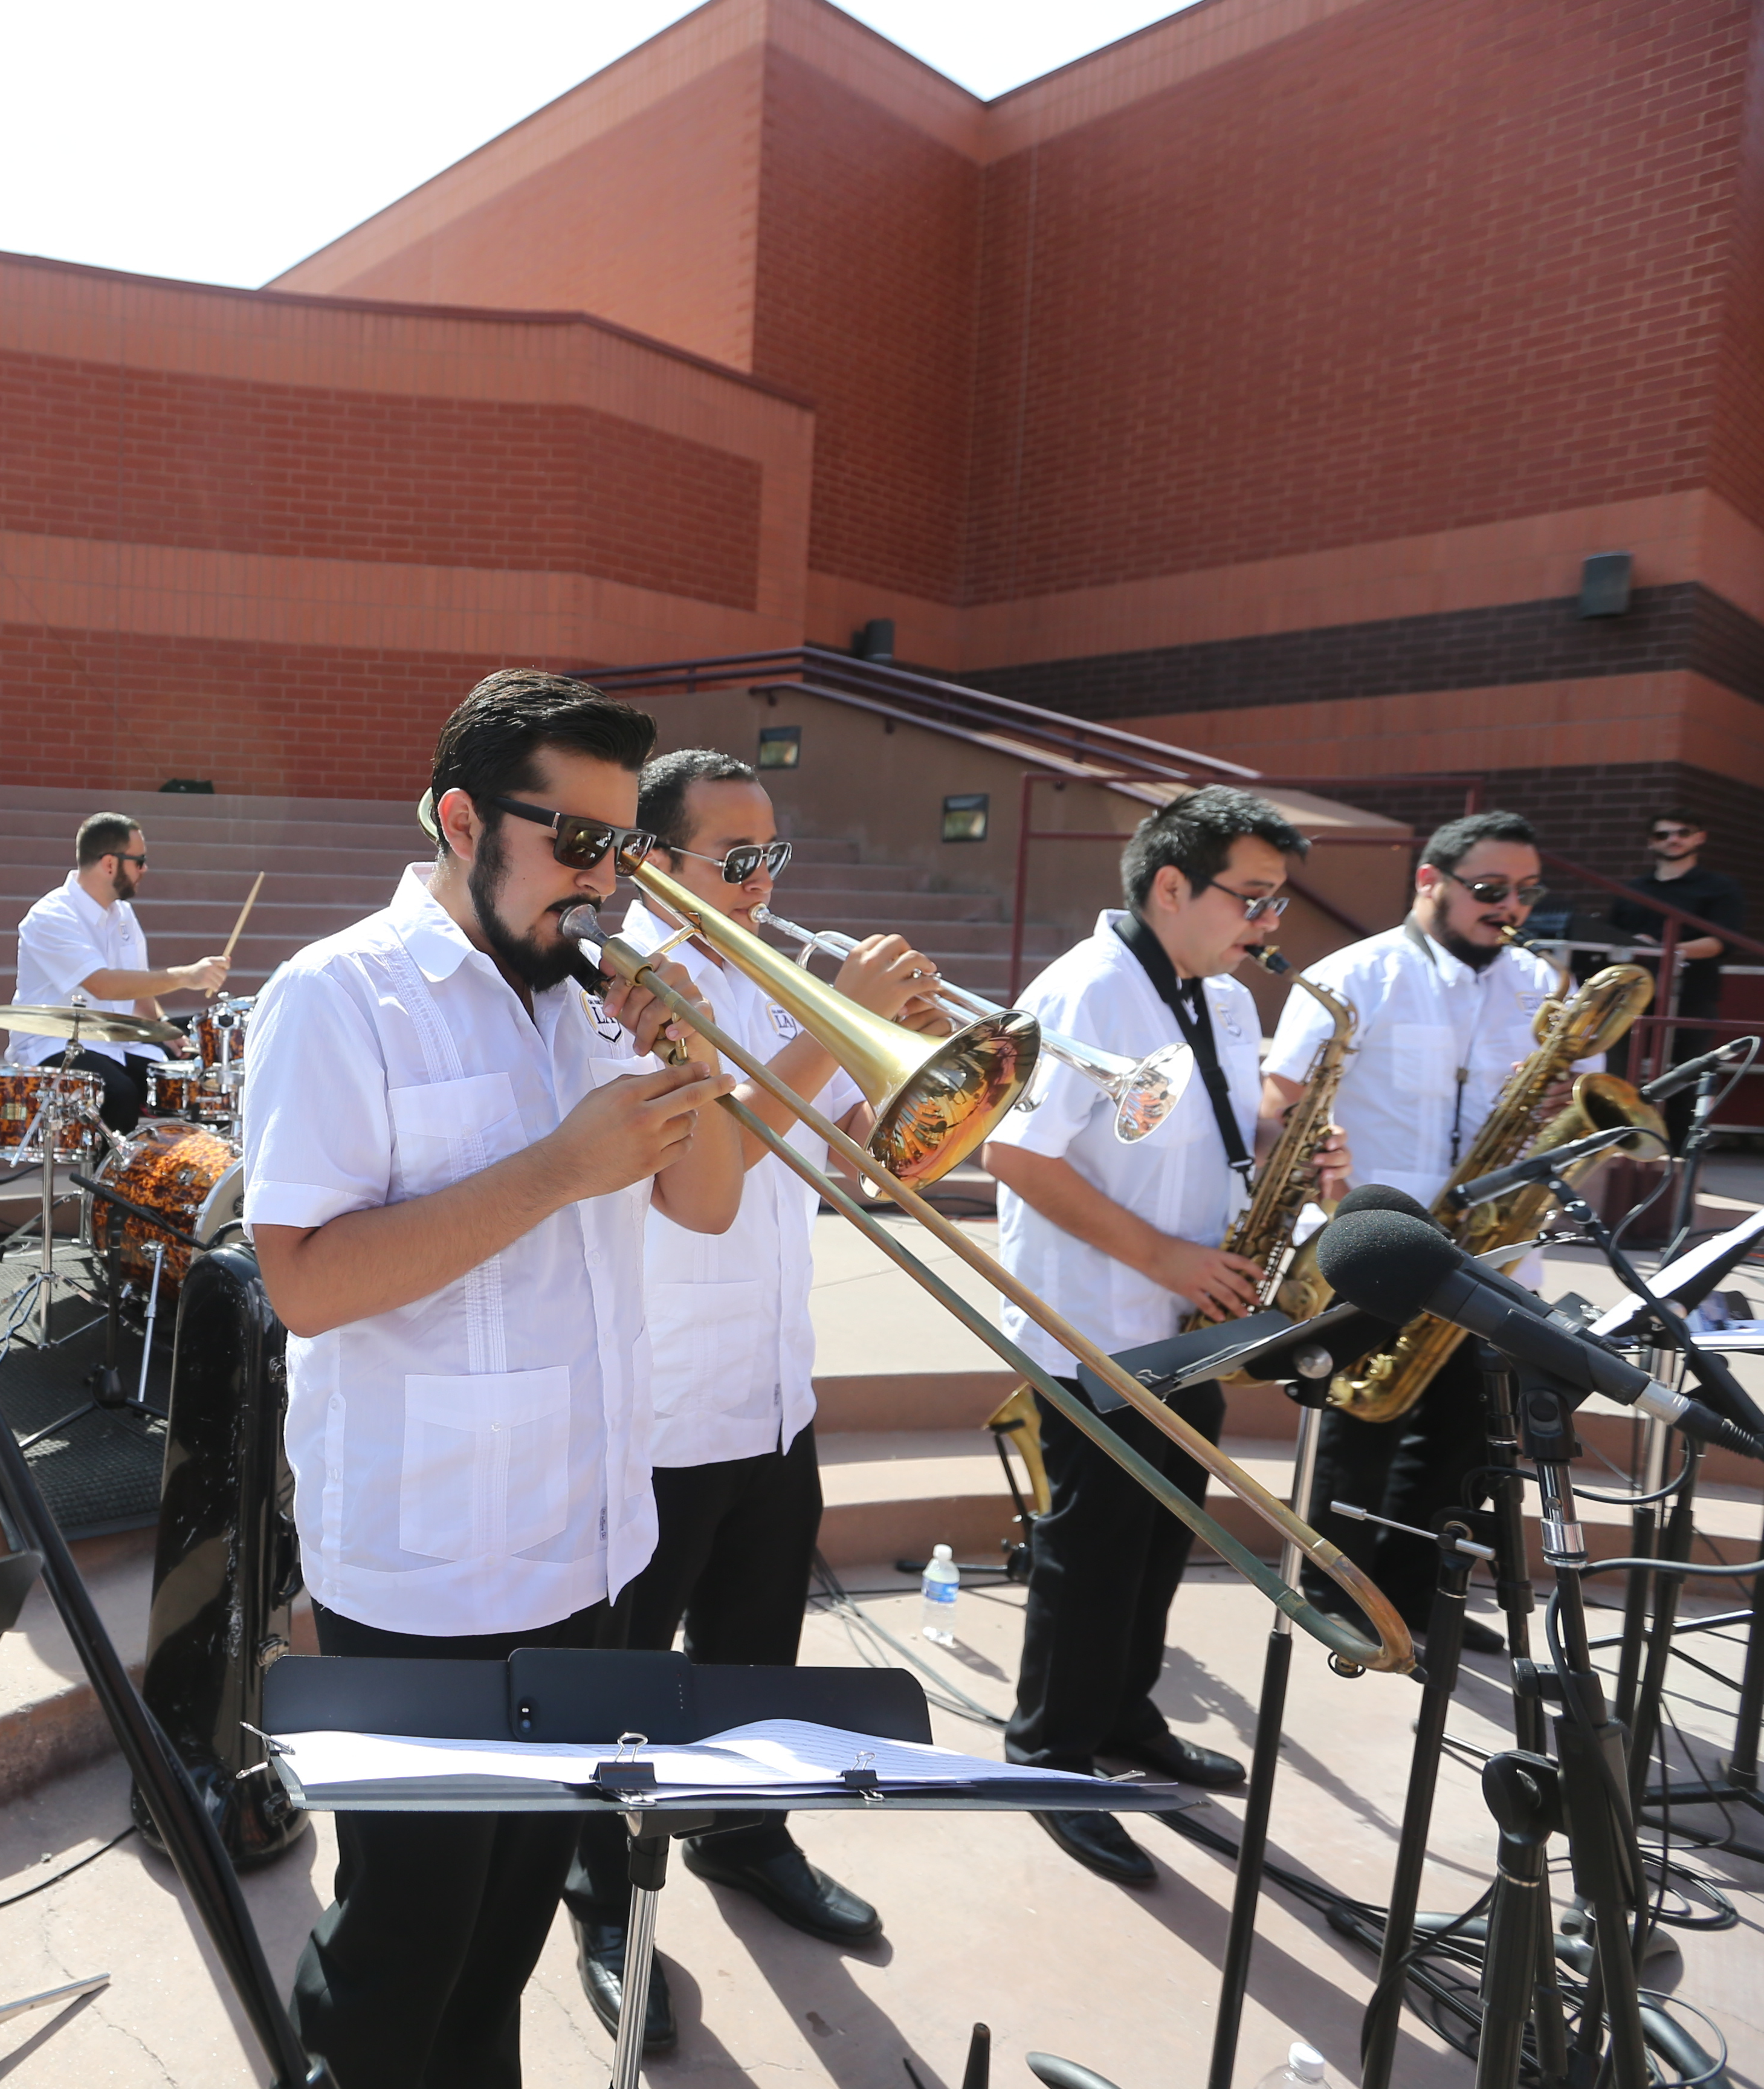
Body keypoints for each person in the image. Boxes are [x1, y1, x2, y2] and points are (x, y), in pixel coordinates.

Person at [245, 671, 742, 2089]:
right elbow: (305, 1279)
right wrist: (558, 1166)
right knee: (404, 1937)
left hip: (590, 1547)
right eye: (573, 842)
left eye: (624, 847)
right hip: (426, 1571)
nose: (602, 882)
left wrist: (689, 1056)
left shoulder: (596, 996)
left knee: (511, 1926)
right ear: (463, 820)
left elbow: (703, 1206)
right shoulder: (339, 995)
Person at [554, 749, 941, 2050]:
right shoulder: (627, 981)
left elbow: (819, 1157)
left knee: (755, 1657)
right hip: (662, 1405)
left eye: (776, 858)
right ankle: (599, 1891)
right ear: (656, 863)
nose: (767, 885)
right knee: (625, 1677)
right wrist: (838, 1027)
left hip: (774, 1388)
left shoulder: (775, 974)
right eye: (739, 861)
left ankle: (741, 1833)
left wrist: (901, 1078)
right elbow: (707, 1169)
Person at [981, 786, 1339, 1888]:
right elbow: (1013, 1156)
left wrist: (1288, 1141)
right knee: (1084, 1559)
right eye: (1252, 898)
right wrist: (1166, 1261)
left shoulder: (1224, 997)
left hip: (1194, 1322)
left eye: (1279, 904)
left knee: (1150, 1547)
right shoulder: (1083, 991)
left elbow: (1222, 1125)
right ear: (1168, 886)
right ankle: (1047, 1754)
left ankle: (1124, 1717)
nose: (1266, 925)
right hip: (1092, 1330)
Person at [1263, 809, 1583, 1652]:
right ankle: (1339, 1601)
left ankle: (1425, 1601)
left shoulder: (1537, 983)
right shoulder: (1356, 974)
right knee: (1362, 1434)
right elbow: (1280, 1097)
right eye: (1490, 890)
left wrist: (1554, 1103)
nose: (1511, 907)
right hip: (1384, 1248)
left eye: (1526, 891)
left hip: (1496, 1248)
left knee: (1466, 1442)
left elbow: (1579, 1095)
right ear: (1430, 883)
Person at [8, 812, 228, 1132]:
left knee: (200, 1082)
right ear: (110, 864)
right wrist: (186, 976)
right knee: (118, 1095)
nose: (145, 869)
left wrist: (163, 1027)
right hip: (58, 1045)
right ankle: (108, 1182)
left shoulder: (122, 913)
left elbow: (137, 983)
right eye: (139, 861)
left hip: (118, 1040)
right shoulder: (51, 916)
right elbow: (103, 985)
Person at [1608, 809, 1745, 1144]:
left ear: (1699, 838)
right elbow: (1610, 939)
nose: (1673, 839)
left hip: (1692, 994)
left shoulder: (1719, 888)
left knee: (1687, 1076)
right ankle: (1619, 1148)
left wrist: (1664, 949)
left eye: (1682, 832)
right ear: (1651, 842)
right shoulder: (1633, 889)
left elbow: (1720, 942)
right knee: (1618, 1073)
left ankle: (1679, 1160)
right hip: (1633, 996)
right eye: (1663, 835)